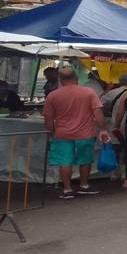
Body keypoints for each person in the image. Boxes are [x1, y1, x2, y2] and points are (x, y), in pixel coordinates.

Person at [43, 67, 110, 199]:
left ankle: (67, 189)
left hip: (62, 133)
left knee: (65, 161)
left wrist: (52, 131)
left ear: (60, 80)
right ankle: (84, 185)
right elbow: (98, 114)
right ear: (77, 78)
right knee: (85, 160)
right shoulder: (88, 93)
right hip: (85, 133)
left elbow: (48, 117)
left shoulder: (53, 95)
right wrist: (103, 129)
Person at [101, 74, 127, 179]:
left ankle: (113, 172)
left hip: (115, 124)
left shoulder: (112, 93)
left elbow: (99, 103)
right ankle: (125, 172)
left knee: (116, 148)